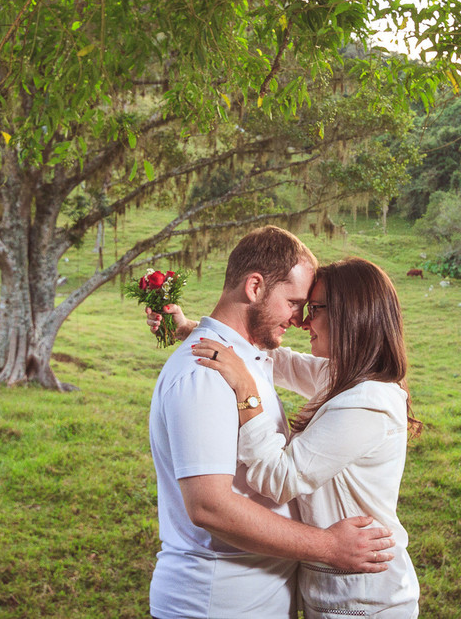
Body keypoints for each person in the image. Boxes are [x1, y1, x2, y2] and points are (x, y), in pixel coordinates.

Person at [147, 226, 395, 619]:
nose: (300, 320)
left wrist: (209, 338)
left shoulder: (254, 361)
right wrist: (328, 547)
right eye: (296, 302)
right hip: (220, 601)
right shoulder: (208, 375)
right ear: (255, 287)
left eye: (311, 308)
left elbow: (279, 363)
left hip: (268, 595)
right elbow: (209, 507)